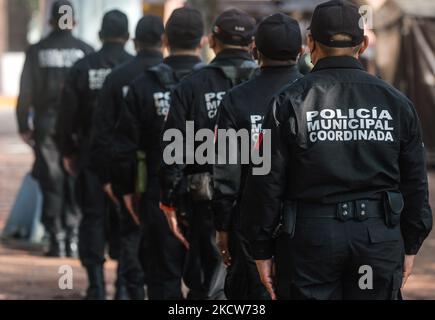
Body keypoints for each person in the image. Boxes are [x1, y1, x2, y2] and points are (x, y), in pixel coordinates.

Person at [245, 0, 433, 300]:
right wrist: (411, 242)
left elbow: (265, 182)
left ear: (310, 43)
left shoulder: (288, 102)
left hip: (311, 243)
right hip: (376, 240)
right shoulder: (397, 103)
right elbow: (415, 181)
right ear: (364, 44)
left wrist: (261, 247)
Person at [159, 8, 257, 300]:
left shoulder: (190, 86)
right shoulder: (269, 86)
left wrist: (169, 201)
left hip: (206, 202)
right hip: (262, 202)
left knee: (207, 285)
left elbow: (173, 150)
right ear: (252, 44)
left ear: (213, 41)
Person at [112, 8, 205, 300]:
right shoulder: (216, 85)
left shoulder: (143, 85)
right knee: (208, 280)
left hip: (158, 192)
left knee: (162, 277)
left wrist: (126, 190)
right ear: (202, 41)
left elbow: (124, 146)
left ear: (165, 40)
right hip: (211, 196)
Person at [212, 13, 303, 300]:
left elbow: (226, 172)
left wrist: (223, 225)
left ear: (255, 51)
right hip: (305, 225)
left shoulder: (236, 99)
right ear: (301, 51)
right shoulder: (316, 94)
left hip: (249, 226)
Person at [56, 10, 133, 300]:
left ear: (100, 35)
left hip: (90, 157)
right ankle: (124, 288)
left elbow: (66, 117)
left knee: (92, 218)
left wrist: (68, 152)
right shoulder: (135, 69)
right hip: (127, 161)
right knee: (129, 221)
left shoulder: (82, 67)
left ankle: (96, 286)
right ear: (127, 37)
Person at [90, 15, 165, 300]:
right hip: (175, 179)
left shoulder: (118, 77)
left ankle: (126, 292)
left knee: (131, 238)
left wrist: (111, 180)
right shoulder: (185, 77)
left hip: (131, 177)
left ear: (135, 42)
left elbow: (103, 133)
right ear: (163, 41)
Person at [16, 0, 93, 257]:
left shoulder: (37, 50)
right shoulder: (86, 51)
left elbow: (25, 92)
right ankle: (73, 236)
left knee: (51, 179)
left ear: (50, 21)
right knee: (72, 176)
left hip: (46, 124)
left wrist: (22, 125)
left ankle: (56, 237)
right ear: (74, 22)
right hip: (77, 126)